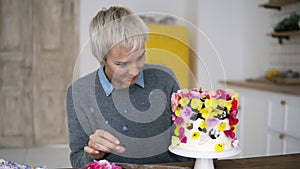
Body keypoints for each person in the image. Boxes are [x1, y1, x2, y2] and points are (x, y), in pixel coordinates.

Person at [66, 6, 191, 168]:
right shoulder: (79, 93)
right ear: (102, 58)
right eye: (121, 64)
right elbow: (77, 162)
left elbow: (186, 143)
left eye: (140, 57)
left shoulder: (165, 79)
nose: (134, 70)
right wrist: (93, 154)